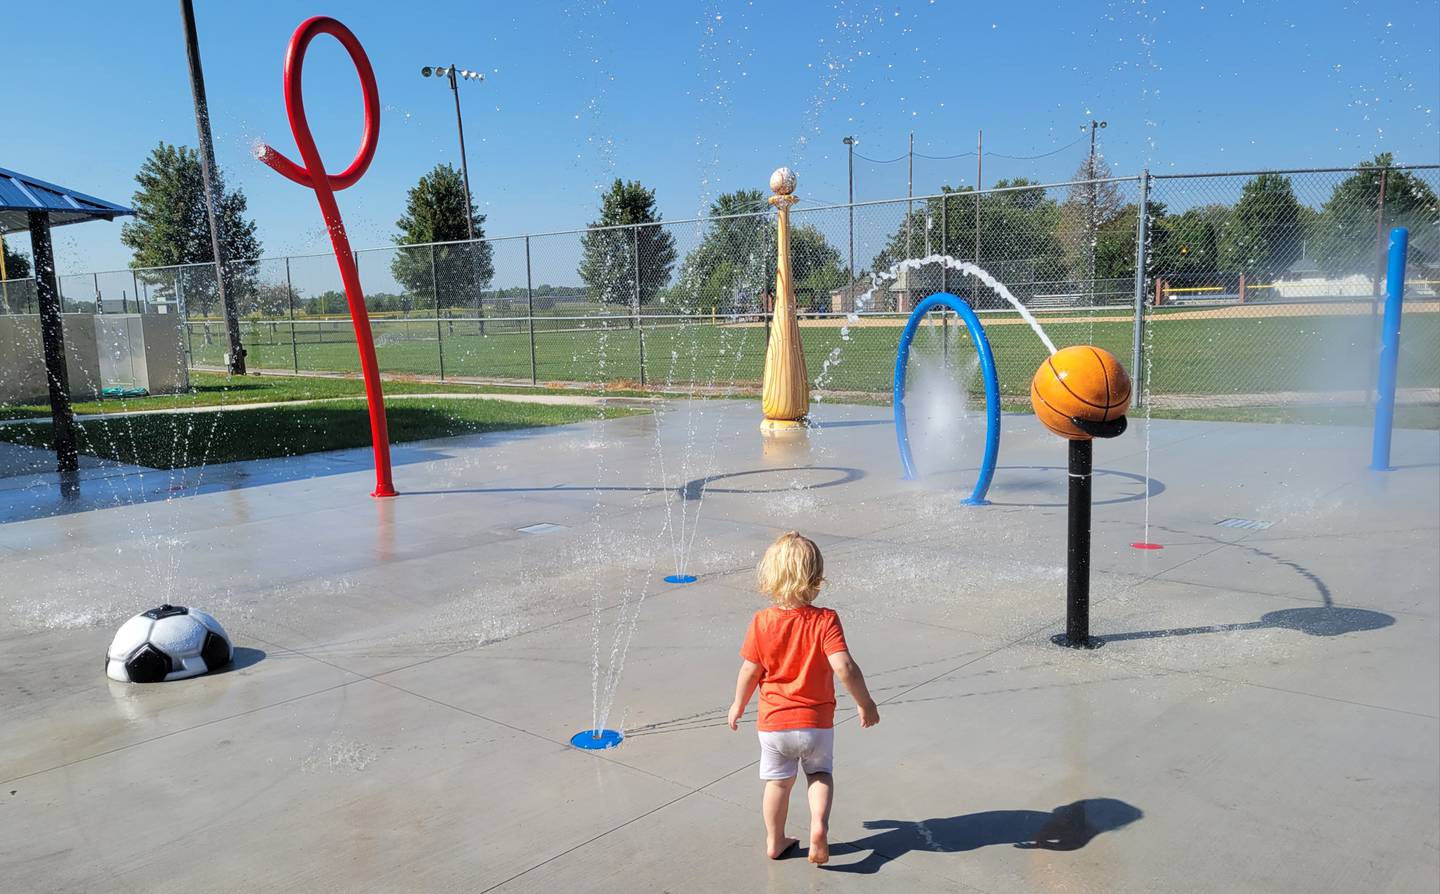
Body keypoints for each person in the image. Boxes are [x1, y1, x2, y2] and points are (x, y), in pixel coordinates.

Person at [727, 531, 880, 864]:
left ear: (770, 575)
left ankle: (775, 840)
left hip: (774, 725)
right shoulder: (825, 621)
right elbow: (845, 667)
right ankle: (818, 827)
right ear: (816, 578)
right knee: (819, 775)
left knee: (777, 784)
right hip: (815, 723)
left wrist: (738, 705)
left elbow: (749, 672)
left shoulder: (761, 622)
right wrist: (865, 702)